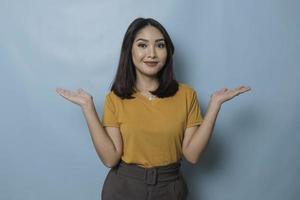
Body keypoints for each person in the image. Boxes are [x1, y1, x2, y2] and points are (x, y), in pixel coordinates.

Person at [56, 17, 251, 200]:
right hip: (124, 188)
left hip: (170, 187)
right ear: (129, 51)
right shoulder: (115, 98)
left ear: (168, 52)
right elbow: (110, 158)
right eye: (142, 45)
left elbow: (192, 155)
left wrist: (215, 105)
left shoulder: (186, 95)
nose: (152, 53)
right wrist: (88, 108)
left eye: (160, 45)